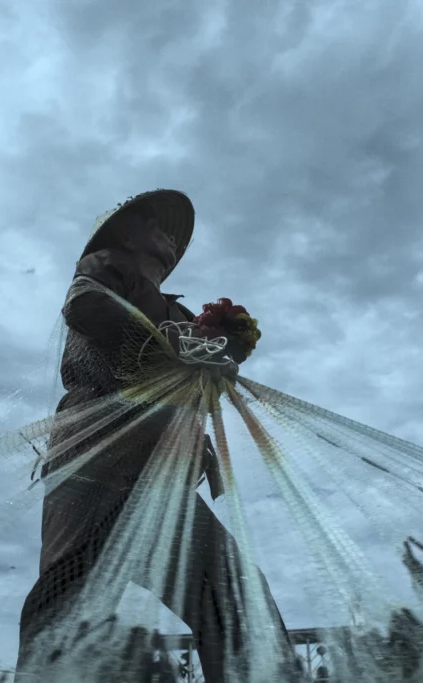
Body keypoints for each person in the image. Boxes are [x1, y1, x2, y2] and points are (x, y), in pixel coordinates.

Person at [16, 190, 295, 681]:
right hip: (94, 465)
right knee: (67, 609)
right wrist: (171, 348)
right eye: (157, 226)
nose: (170, 237)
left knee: (235, 597)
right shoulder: (107, 267)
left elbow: (190, 384)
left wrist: (217, 368)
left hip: (160, 482)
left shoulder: (180, 313)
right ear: (127, 233)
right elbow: (86, 310)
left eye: (174, 233)